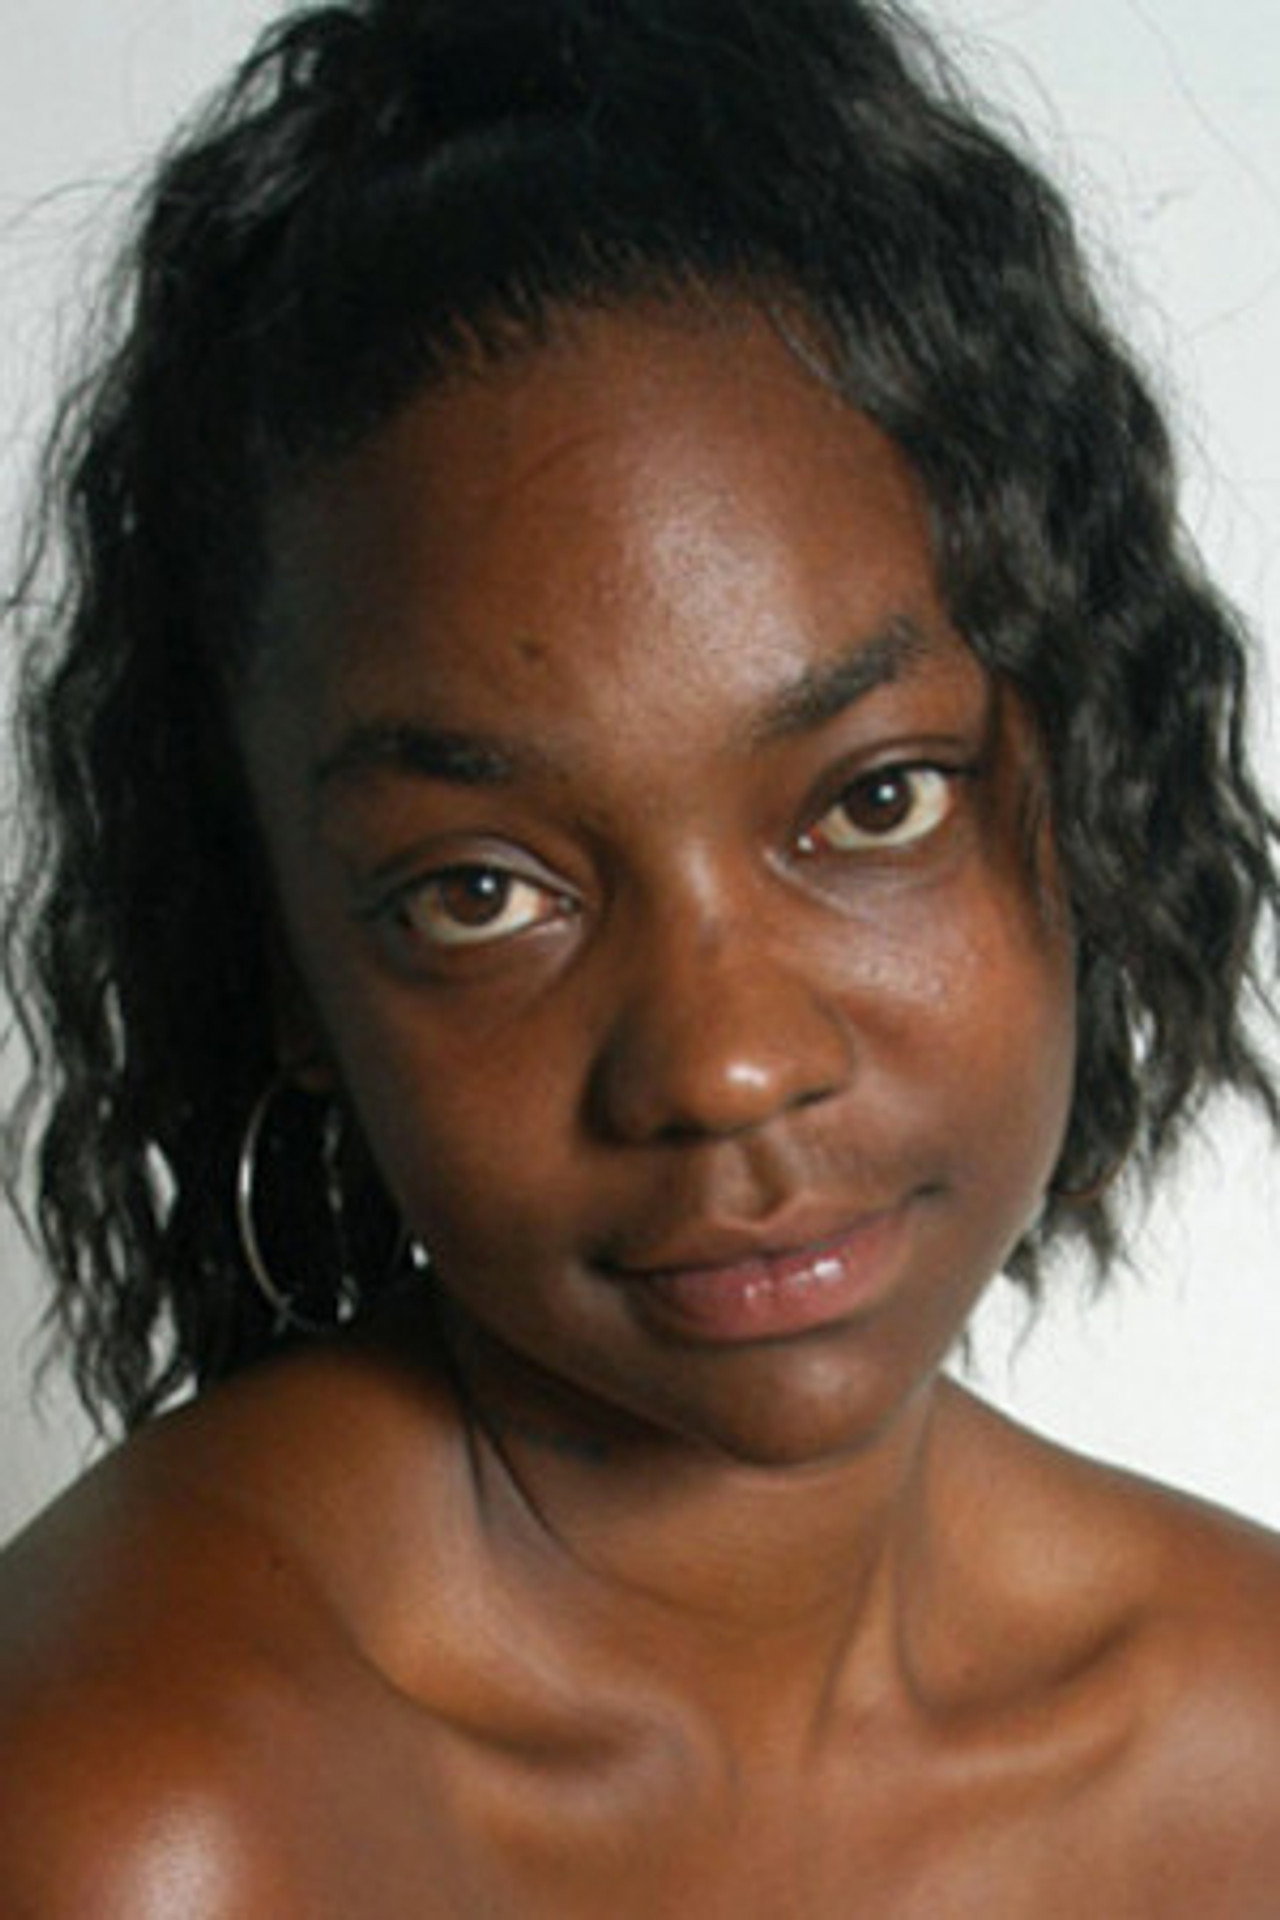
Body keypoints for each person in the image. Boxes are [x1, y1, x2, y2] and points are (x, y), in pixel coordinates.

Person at [1, 0, 1278, 1910]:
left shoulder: (1248, 1743)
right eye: (480, 891)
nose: (721, 1062)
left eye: (874, 802)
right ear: (286, 964)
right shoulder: (136, 1821)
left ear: (1088, 777)